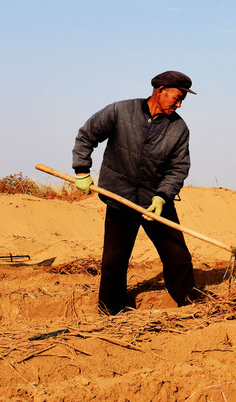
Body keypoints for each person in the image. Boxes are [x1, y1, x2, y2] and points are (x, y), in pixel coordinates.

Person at [72, 70, 197, 315]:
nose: (180, 104)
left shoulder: (179, 128)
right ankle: (111, 310)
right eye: (177, 97)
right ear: (160, 90)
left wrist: (163, 196)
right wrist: (81, 170)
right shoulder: (120, 111)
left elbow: (179, 167)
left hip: (155, 200)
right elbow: (87, 135)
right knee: (114, 260)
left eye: (183, 99)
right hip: (120, 196)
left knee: (177, 255)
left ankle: (189, 303)